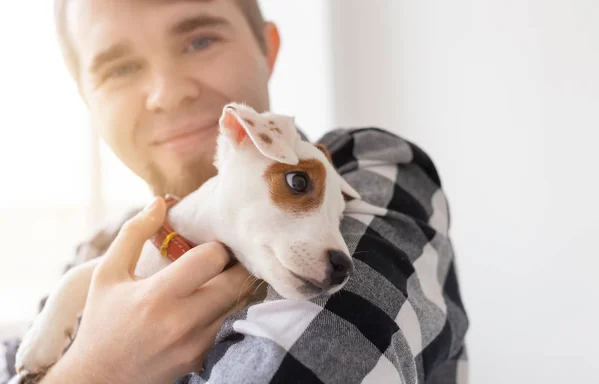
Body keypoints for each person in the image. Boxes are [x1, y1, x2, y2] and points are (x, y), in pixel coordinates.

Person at [1, 0, 469, 383]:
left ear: (268, 46)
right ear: (87, 99)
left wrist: (87, 372)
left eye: (200, 39)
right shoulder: (95, 252)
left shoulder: (371, 167)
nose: (167, 93)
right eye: (119, 69)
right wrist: (95, 370)